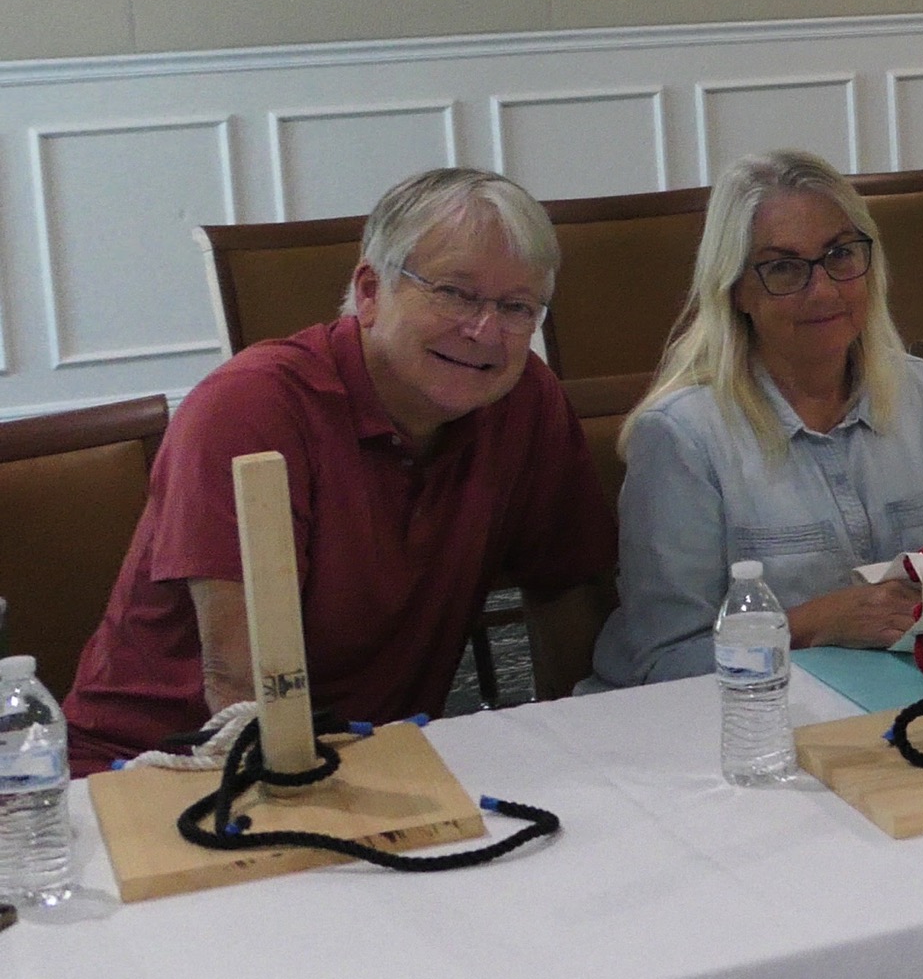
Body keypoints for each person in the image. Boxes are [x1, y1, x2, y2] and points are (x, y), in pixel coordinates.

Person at [63, 169, 615, 775]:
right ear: (371, 291)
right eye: (455, 293)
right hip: (162, 768)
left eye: (515, 307)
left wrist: (584, 752)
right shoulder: (250, 409)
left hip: (375, 757)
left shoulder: (524, 401)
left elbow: (564, 586)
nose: (484, 330)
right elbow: (238, 686)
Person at [588, 150, 923, 688]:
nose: (823, 290)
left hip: (906, 691)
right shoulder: (682, 436)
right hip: (753, 712)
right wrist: (807, 624)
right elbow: (663, 662)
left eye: (840, 255)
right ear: (736, 289)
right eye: (784, 268)